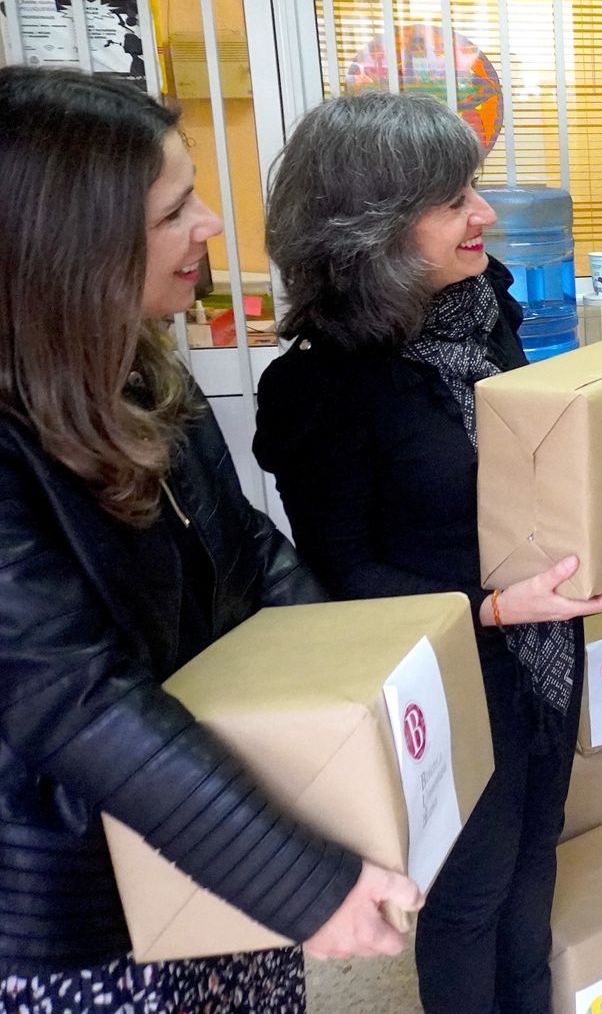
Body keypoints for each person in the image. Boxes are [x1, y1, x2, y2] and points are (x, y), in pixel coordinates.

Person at [0, 67, 419, 1013]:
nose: (212, 226)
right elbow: (77, 704)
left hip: (213, 845)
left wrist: (357, 702)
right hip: (80, 907)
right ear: (71, 248)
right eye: (176, 209)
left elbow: (251, 556)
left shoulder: (143, 374)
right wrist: (305, 886)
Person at [252, 92, 602, 1014]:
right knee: (471, 898)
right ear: (372, 231)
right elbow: (343, 576)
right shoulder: (320, 389)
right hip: (444, 672)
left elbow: (541, 465)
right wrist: (488, 608)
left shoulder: (486, 313)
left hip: (545, 655)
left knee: (534, 867)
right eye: (453, 201)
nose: (484, 213)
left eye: (473, 187)